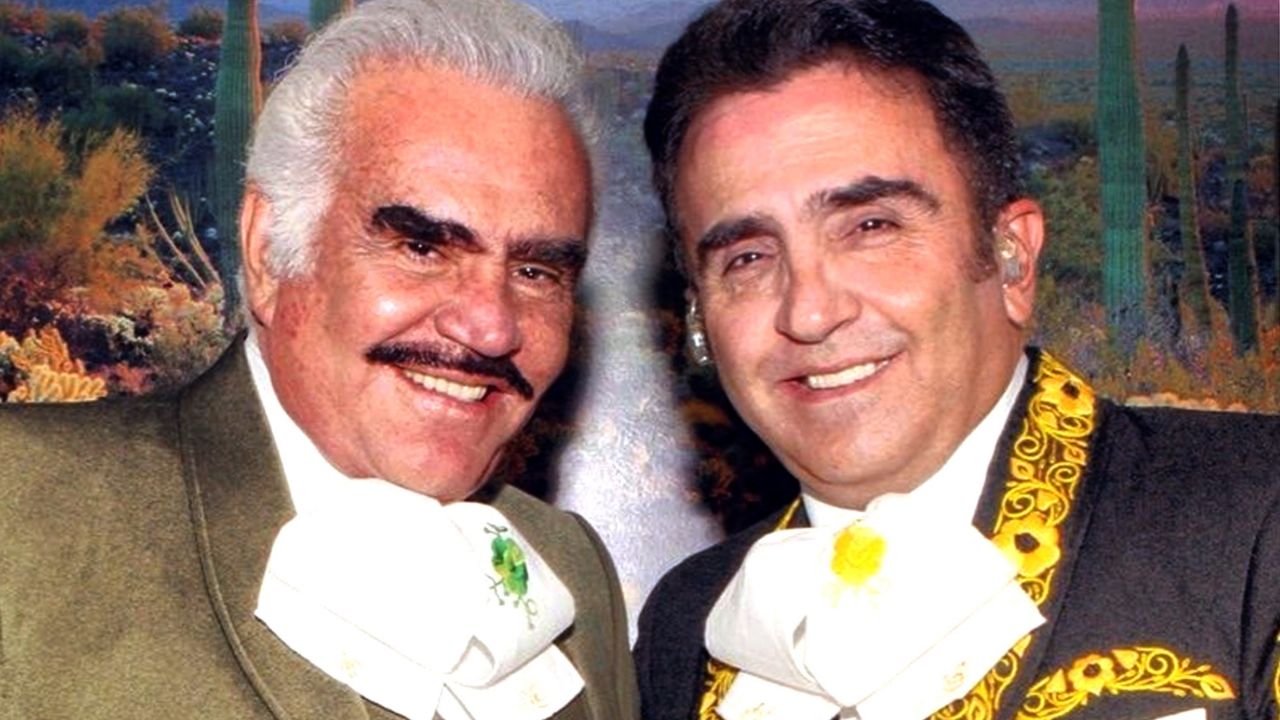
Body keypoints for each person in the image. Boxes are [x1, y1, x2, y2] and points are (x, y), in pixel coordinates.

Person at [633, 1, 1280, 719]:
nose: (809, 312)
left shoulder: (1257, 517)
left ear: (1012, 258)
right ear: (700, 316)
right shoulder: (687, 626)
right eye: (748, 258)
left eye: (871, 226)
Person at [0, 0, 639, 718]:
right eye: (421, 248)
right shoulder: (22, 509)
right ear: (268, 252)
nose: (490, 327)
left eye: (536, 271)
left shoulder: (568, 571)